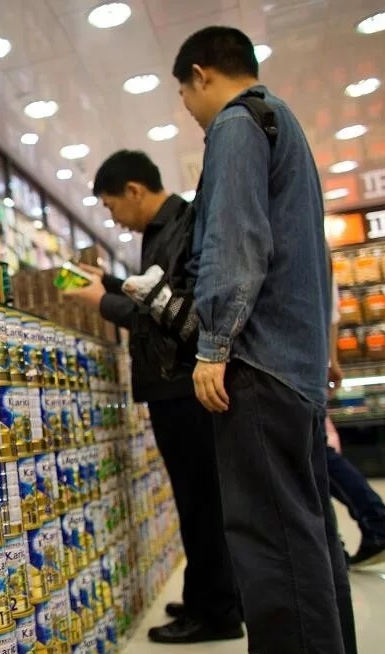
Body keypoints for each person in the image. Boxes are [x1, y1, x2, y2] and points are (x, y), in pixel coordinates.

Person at [173, 26, 356, 654]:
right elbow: (315, 256)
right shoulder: (285, 123)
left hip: (259, 364)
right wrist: (323, 347)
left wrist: (213, 346)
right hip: (298, 368)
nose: (188, 109)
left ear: (201, 74)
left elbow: (235, 241)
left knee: (271, 548)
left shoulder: (236, 124)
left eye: (183, 94)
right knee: (309, 538)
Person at [63, 150, 242, 644]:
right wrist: (109, 284)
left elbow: (169, 311)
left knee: (199, 502)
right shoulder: (165, 230)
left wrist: (101, 301)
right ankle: (210, 596)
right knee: (197, 500)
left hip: (182, 386)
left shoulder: (180, 226)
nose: (113, 217)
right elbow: (151, 294)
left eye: (111, 205)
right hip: (176, 385)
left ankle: (216, 612)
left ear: (134, 190)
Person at [327, 277, 385, 566]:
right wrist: (331, 360)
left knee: (315, 456)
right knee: (315, 456)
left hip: (294, 367)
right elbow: (333, 313)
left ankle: (374, 522)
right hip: (310, 362)